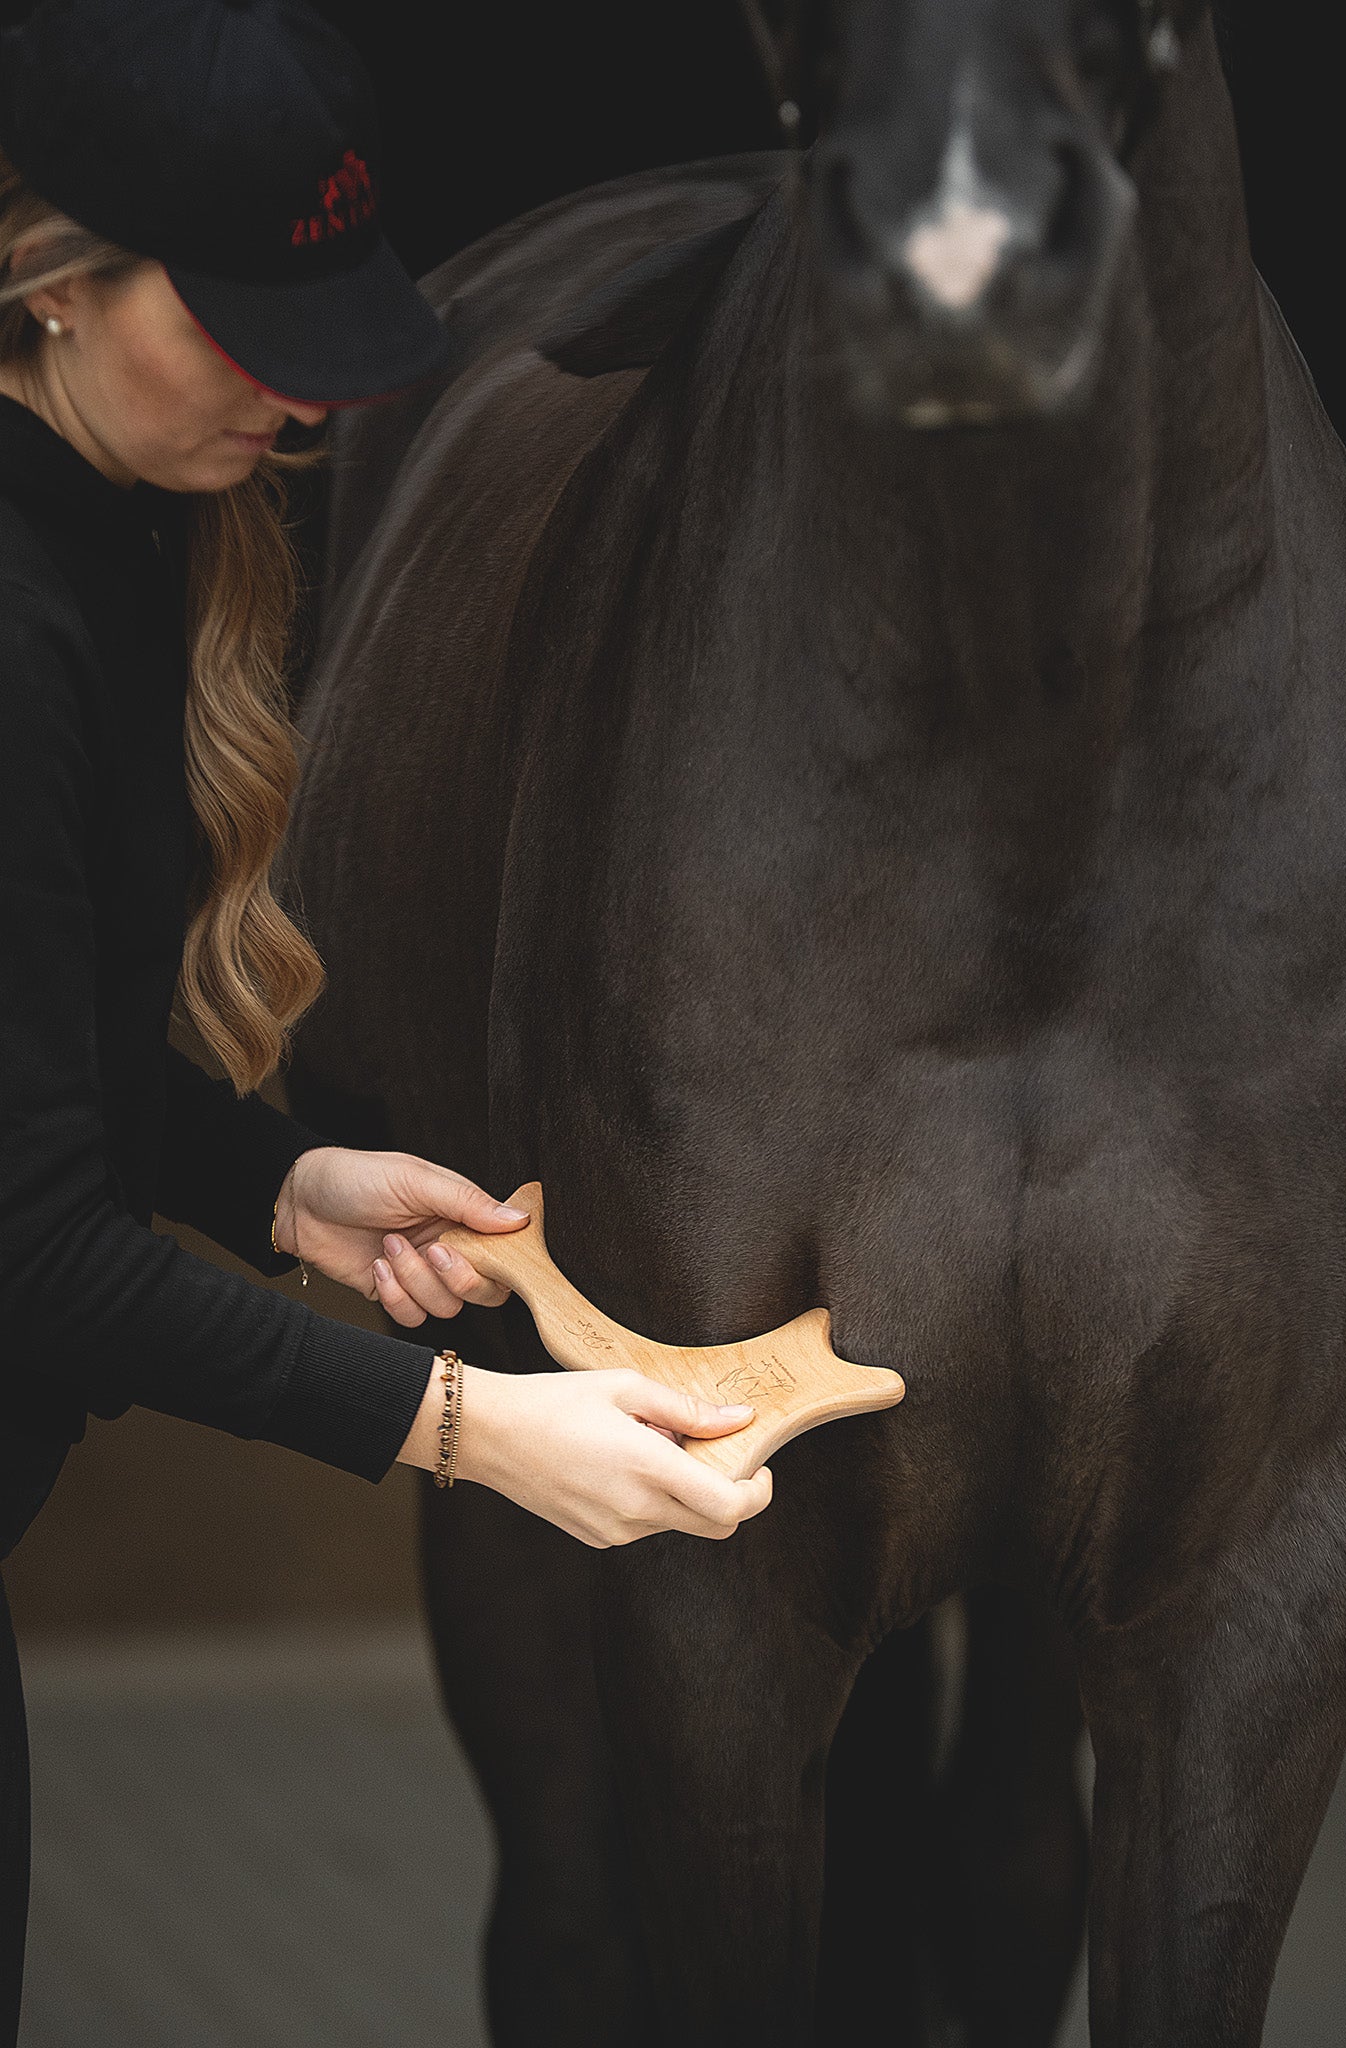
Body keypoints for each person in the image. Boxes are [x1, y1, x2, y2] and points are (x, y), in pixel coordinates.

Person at [0, 0, 772, 2034]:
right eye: (243, 314)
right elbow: (34, 1248)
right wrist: (480, 1434)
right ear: (50, 281)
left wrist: (284, 1179)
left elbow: (38, 1075)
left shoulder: (126, 511)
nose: (305, 397)